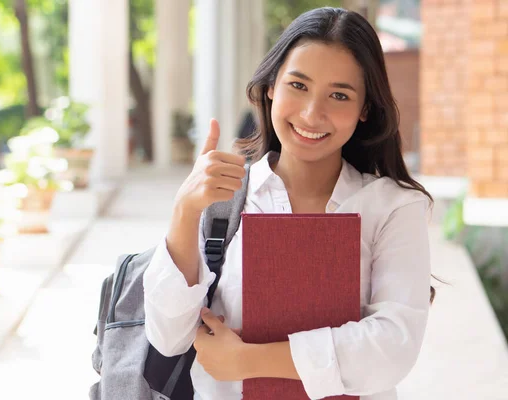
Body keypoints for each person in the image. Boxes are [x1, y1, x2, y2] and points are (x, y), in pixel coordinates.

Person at [143, 7, 434, 400]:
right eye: (298, 85)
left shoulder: (392, 207)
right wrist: (184, 209)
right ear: (270, 87)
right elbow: (167, 337)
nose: (313, 113)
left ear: (365, 109)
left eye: (339, 94)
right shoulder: (223, 200)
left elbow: (392, 348)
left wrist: (248, 361)